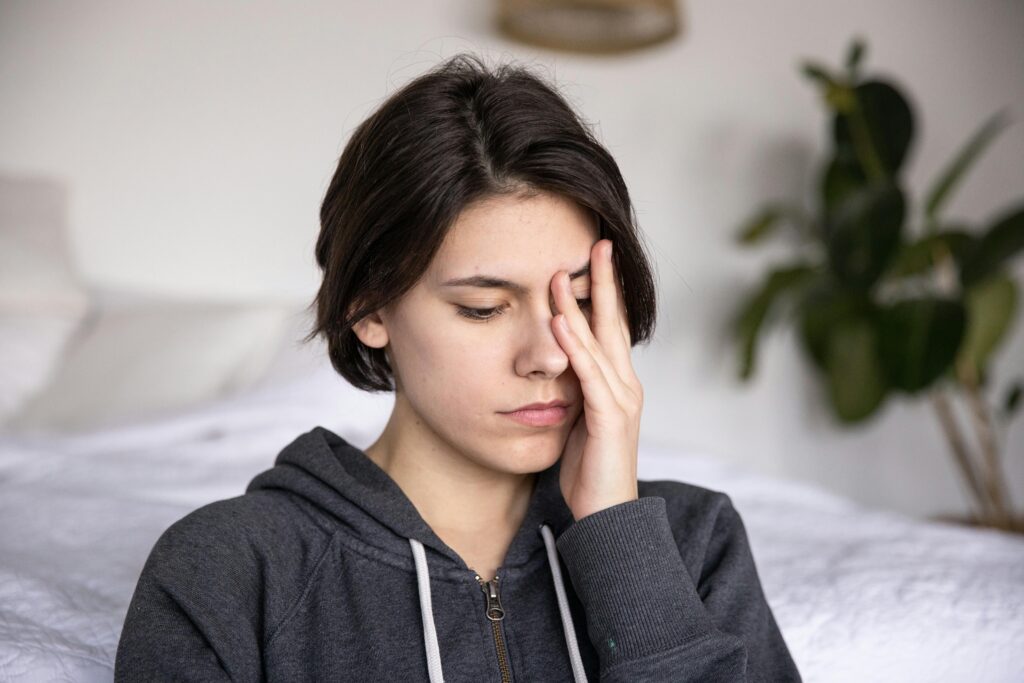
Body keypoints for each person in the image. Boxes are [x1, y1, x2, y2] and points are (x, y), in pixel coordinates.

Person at [114, 53, 802, 682]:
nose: (551, 354)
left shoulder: (692, 541)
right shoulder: (229, 569)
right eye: (483, 307)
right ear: (369, 307)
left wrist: (619, 539)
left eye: (580, 300)